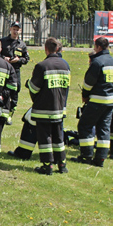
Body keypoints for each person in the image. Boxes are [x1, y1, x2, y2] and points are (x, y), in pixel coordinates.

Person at [27, 37, 71, 175]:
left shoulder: (42, 66)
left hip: (43, 109)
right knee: (58, 137)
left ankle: (47, 165)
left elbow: (34, 88)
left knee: (45, 137)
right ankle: (62, 164)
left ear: (46, 49)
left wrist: (28, 83)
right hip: (59, 107)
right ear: (57, 49)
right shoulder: (66, 65)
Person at [73, 36, 113, 167]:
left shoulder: (98, 62)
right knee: (104, 128)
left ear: (98, 47)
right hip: (110, 101)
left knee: (85, 125)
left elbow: (88, 83)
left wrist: (85, 95)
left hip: (97, 99)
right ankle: (100, 159)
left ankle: (86, 156)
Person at [0, 21, 29, 115]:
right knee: (4, 88)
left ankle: (12, 109)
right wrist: (4, 58)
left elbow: (26, 59)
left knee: (16, 88)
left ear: (20, 31)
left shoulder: (22, 44)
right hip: (4, 69)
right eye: (14, 29)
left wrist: (18, 60)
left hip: (15, 70)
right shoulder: (3, 41)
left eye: (17, 29)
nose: (15, 31)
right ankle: (3, 107)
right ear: (10, 29)